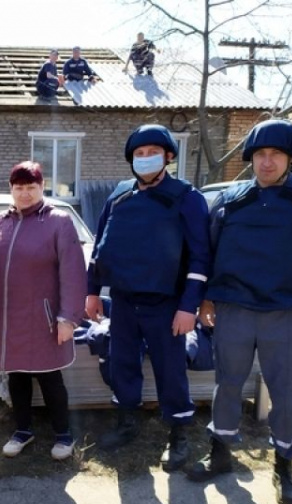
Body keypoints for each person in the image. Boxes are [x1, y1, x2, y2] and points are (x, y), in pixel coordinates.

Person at [186, 119, 292, 504]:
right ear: (250, 158)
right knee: (227, 383)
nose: (267, 162)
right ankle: (221, 453)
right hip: (234, 310)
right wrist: (207, 298)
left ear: (290, 158)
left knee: (284, 391)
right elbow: (211, 252)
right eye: (260, 154)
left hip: (285, 313)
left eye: (276, 154)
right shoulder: (232, 197)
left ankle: (285, 467)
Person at [86, 124, 211, 472]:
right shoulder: (121, 193)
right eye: (138, 154)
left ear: (169, 156)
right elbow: (101, 245)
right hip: (124, 300)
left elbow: (201, 258)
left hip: (168, 304)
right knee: (122, 362)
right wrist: (92, 292)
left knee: (171, 370)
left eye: (152, 153)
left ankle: (179, 432)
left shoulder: (187, 197)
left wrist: (189, 306)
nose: (145, 159)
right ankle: (128, 420)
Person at [0, 161, 87, 460]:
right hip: (6, 318)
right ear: (11, 190)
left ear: (42, 188)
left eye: (31, 187)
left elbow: (73, 273)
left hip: (44, 318)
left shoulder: (59, 221)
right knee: (16, 376)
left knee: (50, 377)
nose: (25, 193)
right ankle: (23, 430)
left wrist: (69, 316)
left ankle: (64, 435)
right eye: (19, 188)